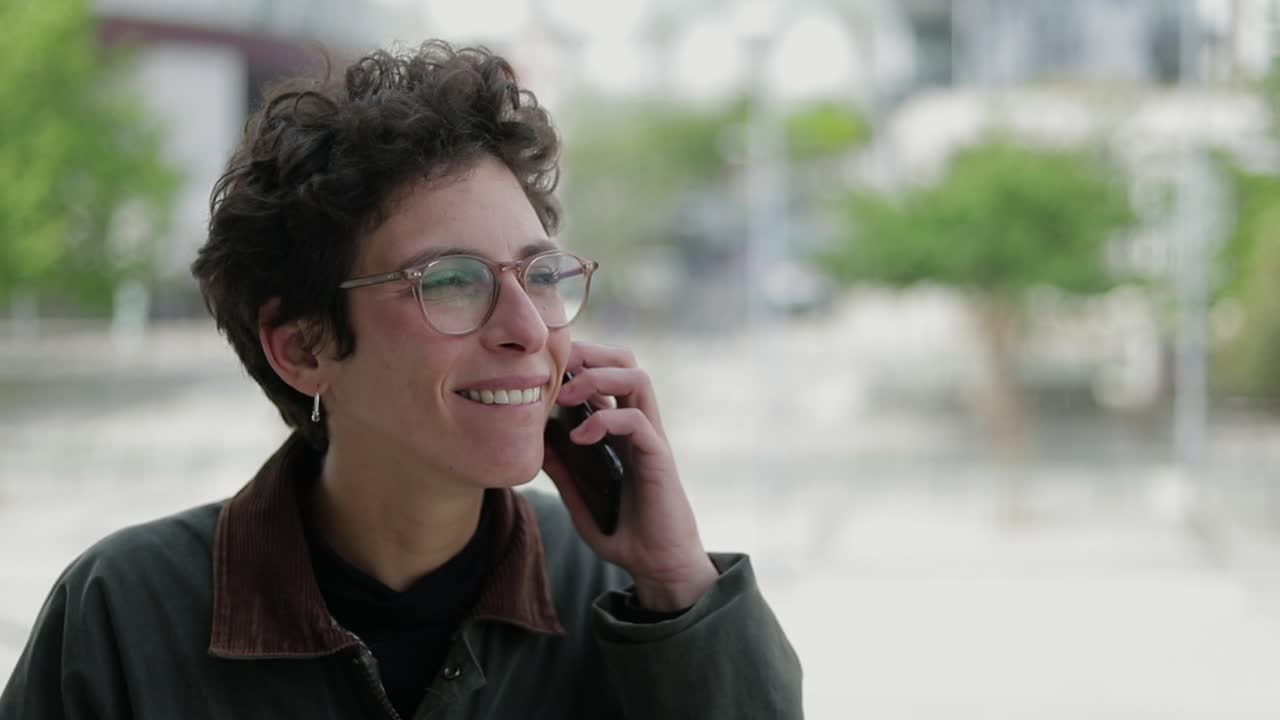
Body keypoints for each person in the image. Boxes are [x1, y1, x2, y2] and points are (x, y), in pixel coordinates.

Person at [0, 41, 802, 719]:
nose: (529, 329)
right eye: (451, 281)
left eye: (540, 273)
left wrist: (676, 582)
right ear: (303, 348)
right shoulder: (121, 616)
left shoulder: (624, 598)